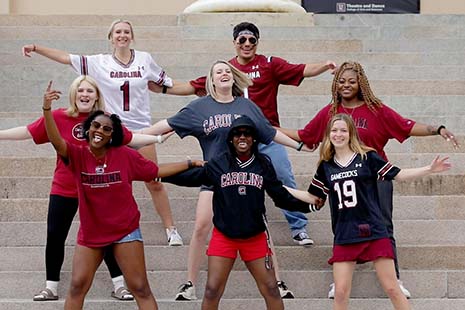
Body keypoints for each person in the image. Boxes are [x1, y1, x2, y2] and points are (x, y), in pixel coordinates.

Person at [278, 61, 460, 299]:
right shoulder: (330, 112)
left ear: (361, 83)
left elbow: (406, 125)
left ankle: (394, 277)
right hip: (341, 176)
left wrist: (438, 129)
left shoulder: (376, 109)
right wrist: (267, 129)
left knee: (383, 223)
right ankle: (339, 280)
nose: (346, 85)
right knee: (341, 224)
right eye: (341, 81)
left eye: (351, 81)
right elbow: (305, 136)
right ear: (335, 83)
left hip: (376, 175)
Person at [153, 21, 336, 247]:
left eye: (252, 40)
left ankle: (298, 227)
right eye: (242, 39)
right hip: (233, 140)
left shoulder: (270, 64)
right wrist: (161, 88)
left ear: (257, 43)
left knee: (282, 174)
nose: (247, 43)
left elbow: (301, 70)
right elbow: (191, 87)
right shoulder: (225, 69)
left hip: (265, 135)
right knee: (223, 175)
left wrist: (325, 66)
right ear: (234, 43)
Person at [141, 60, 311, 300]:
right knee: (201, 225)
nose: (224, 73)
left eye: (227, 71)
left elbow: (271, 133)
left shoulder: (247, 106)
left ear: (233, 78)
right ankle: (189, 284)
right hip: (214, 174)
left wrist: (300, 146)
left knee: (262, 227)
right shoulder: (199, 108)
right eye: (218, 71)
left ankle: (278, 281)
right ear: (211, 80)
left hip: (245, 175)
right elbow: (165, 125)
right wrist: (131, 137)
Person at [41, 81, 203, 310]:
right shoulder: (77, 154)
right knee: (77, 286)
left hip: (124, 230)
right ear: (88, 129)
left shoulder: (125, 156)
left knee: (140, 287)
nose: (100, 131)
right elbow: (56, 141)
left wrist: (189, 162)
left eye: (107, 129)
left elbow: (156, 172)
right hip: (91, 232)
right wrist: (47, 109)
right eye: (96, 126)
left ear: (112, 135)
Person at [22, 19, 183, 247]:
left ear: (132, 36)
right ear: (110, 37)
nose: (122, 35)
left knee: (153, 180)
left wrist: (200, 88)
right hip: (112, 132)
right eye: (118, 32)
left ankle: (171, 228)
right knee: (110, 183)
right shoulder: (100, 62)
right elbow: (67, 58)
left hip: (140, 128)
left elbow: (167, 84)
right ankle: (110, 231)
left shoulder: (145, 59)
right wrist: (37, 48)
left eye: (126, 31)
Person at [286, 113, 450, 310]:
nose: (338, 134)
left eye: (343, 130)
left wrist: (428, 169)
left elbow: (397, 174)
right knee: (340, 292)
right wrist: (281, 188)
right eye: (334, 130)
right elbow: (313, 197)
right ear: (328, 134)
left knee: (392, 288)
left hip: (373, 229)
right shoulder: (326, 166)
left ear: (351, 133)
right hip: (345, 232)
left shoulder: (367, 157)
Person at [159, 116, 324, 310]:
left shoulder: (263, 164)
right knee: (212, 289)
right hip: (224, 236)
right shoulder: (219, 163)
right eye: (237, 134)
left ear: (254, 138)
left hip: (255, 237)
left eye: (247, 133)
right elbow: (191, 177)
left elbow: (280, 196)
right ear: (230, 139)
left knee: (271, 288)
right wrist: (159, 175)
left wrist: (309, 206)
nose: (242, 137)